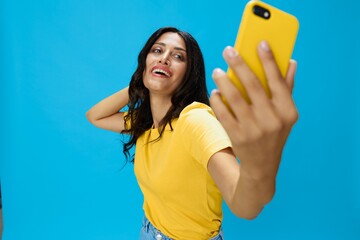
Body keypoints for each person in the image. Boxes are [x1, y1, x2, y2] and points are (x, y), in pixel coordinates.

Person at [86, 27, 298, 239]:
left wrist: (260, 163)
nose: (165, 59)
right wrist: (141, 81)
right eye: (157, 51)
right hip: (150, 232)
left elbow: (244, 205)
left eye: (178, 56)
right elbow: (95, 116)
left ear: (189, 74)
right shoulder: (144, 122)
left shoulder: (195, 121)